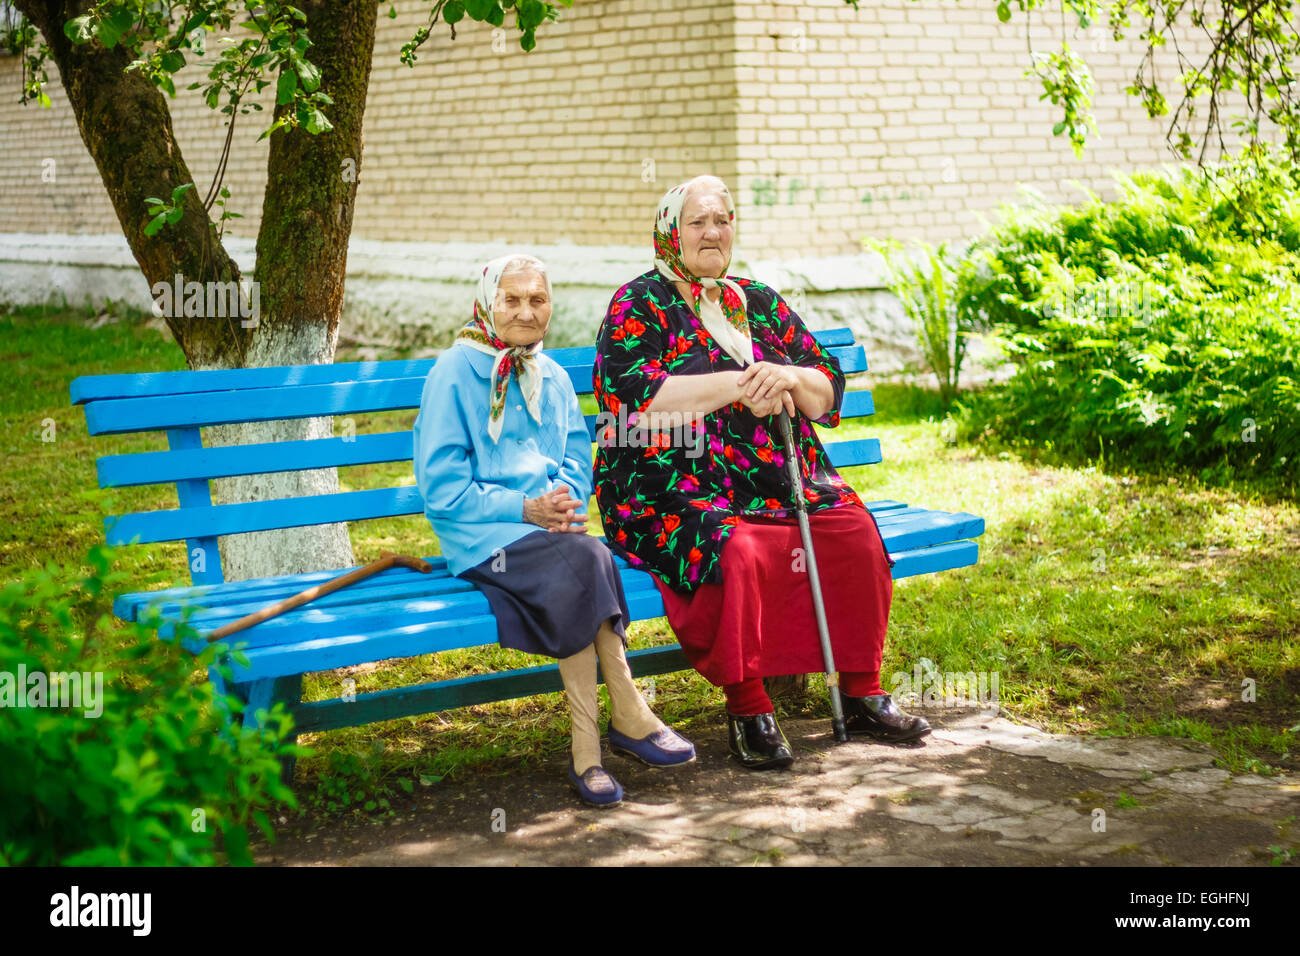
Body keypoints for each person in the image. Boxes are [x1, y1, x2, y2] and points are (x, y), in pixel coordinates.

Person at [592, 176, 930, 771]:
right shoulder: (637, 303)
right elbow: (633, 399)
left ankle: (860, 690)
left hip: (775, 477)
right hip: (671, 482)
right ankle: (749, 706)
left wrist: (789, 376)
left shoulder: (757, 299)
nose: (713, 232)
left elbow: (825, 389)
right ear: (671, 230)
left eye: (723, 219)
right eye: (698, 222)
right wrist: (742, 384)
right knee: (739, 550)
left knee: (852, 534)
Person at [413, 253, 695, 807]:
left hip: (552, 535)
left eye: (537, 299)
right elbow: (442, 490)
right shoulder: (454, 372)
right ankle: (617, 724)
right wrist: (526, 509)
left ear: (550, 307)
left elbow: (573, 457)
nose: (525, 311)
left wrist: (562, 504)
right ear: (487, 304)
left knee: (584, 558)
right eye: (511, 300)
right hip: (482, 534)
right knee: (589, 559)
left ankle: (593, 747)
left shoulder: (552, 374)